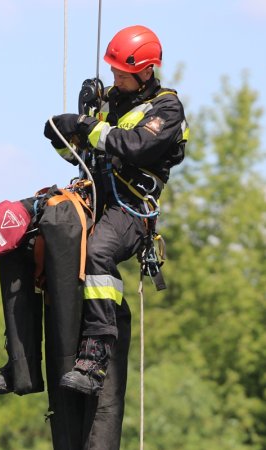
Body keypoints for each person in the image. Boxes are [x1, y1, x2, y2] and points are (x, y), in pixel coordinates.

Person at [44, 24, 189, 448]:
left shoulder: (167, 108)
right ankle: (18, 365)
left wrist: (87, 124)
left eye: (123, 73)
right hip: (95, 198)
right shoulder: (111, 101)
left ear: (146, 72)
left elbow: (134, 146)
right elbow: (81, 152)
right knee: (33, 237)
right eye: (113, 72)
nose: (115, 78)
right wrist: (63, 128)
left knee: (99, 255)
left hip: (130, 210)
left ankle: (95, 356)